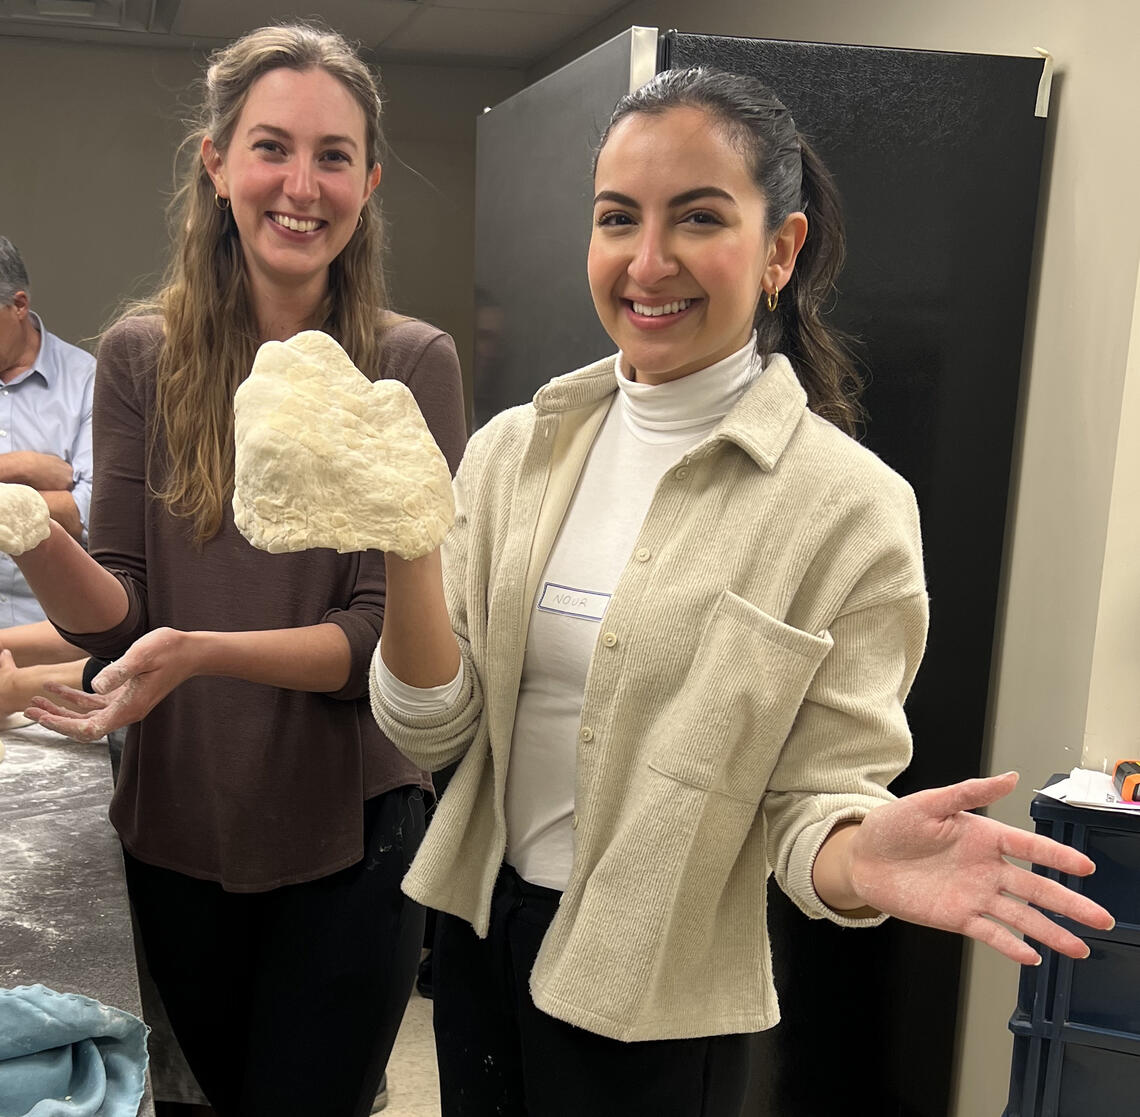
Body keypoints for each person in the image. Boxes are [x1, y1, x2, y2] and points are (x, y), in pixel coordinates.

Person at [368, 68, 1114, 1116]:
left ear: (782, 250)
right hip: (481, 945)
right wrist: (404, 537)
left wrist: (865, 860)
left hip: (661, 1006)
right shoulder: (510, 456)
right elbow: (435, 729)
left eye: (699, 217)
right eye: (618, 217)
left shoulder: (847, 512)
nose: (648, 260)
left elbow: (817, 806)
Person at [8, 23, 466, 1117]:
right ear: (216, 164)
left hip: (353, 836)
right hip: (179, 820)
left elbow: (377, 643)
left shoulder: (410, 363)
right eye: (272, 147)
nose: (301, 185)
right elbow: (117, 617)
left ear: (369, 181)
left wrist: (200, 651)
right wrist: (32, 535)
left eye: (334, 155)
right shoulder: (139, 356)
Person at [0, 236, 94, 616]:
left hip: (53, 629)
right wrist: (21, 468)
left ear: (19, 305)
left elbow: (89, 512)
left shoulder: (88, 380)